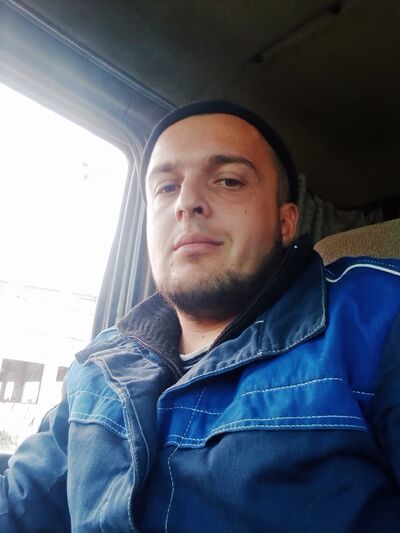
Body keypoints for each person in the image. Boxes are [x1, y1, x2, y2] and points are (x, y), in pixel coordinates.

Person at [1, 101, 400, 533]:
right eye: (166, 187)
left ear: (285, 223)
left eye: (228, 181)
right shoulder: (99, 365)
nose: (187, 202)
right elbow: (20, 506)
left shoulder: (376, 314)